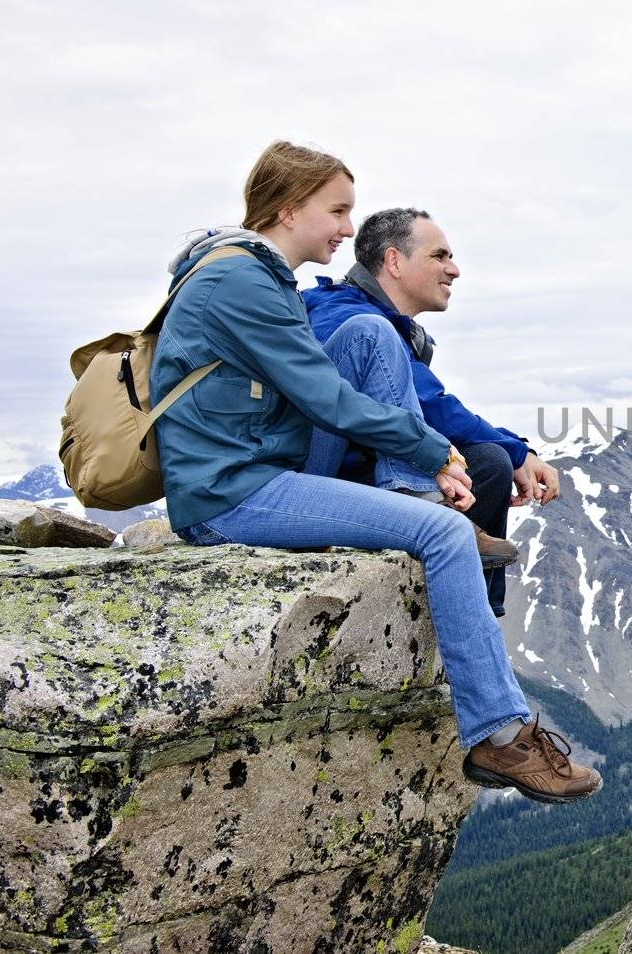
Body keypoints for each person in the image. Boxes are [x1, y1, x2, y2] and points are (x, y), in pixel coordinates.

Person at [151, 140, 599, 803]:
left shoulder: (253, 273)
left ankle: (415, 500)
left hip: (256, 460)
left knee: (370, 336)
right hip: (233, 490)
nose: (346, 228)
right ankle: (500, 737)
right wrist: (435, 453)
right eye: (336, 211)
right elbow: (325, 398)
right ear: (286, 208)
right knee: (443, 536)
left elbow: (330, 383)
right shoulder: (238, 280)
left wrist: (426, 461)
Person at [301, 208, 561, 619]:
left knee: (487, 464)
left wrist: (508, 453)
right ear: (394, 261)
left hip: (358, 465)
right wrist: (519, 452)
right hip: (321, 475)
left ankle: (477, 615)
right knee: (493, 459)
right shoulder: (348, 315)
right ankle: (439, 567)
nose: (454, 269)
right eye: (439, 256)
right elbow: (430, 406)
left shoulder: (381, 321)